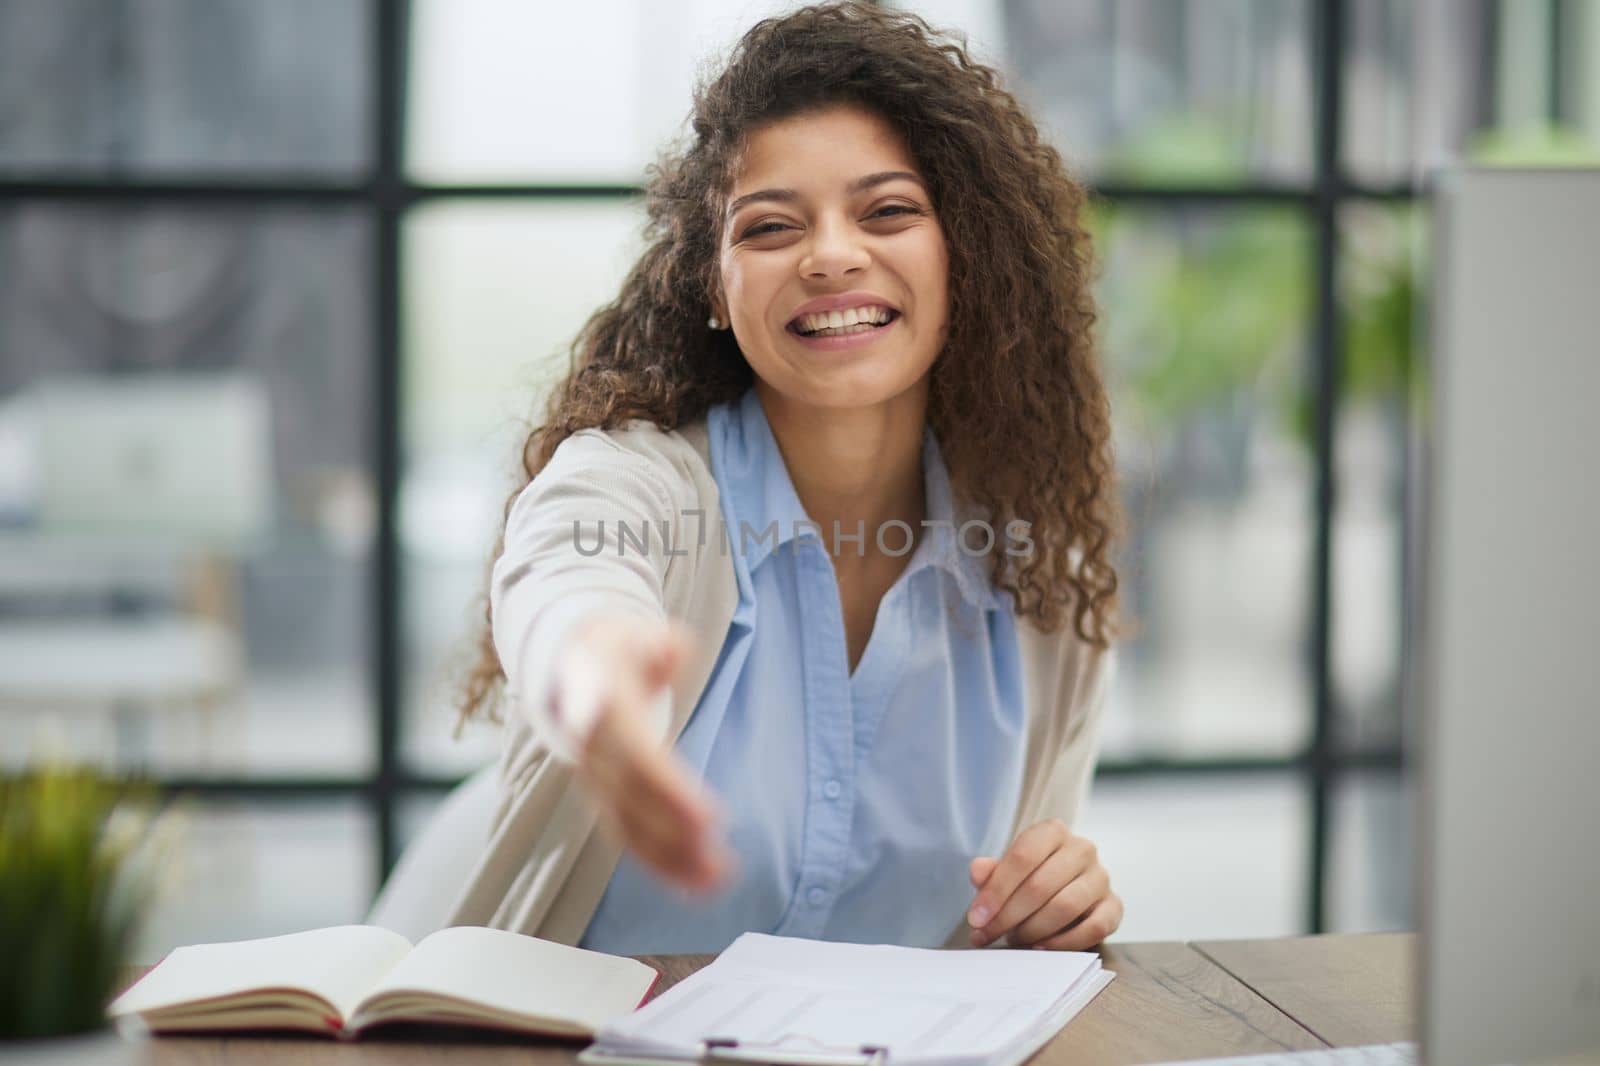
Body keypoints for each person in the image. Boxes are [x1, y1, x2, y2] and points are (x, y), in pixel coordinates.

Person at [446, 0, 1126, 955]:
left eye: (887, 211)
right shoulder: (632, 482)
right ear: (714, 289)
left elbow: (999, 946)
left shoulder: (1034, 575)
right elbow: (562, 590)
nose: (832, 255)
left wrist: (1054, 904)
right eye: (770, 228)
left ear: (964, 256)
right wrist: (599, 696)